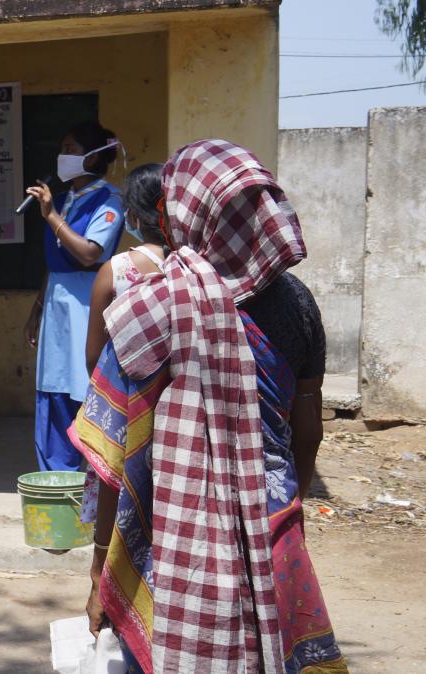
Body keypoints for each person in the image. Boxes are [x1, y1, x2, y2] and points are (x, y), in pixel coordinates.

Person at [74, 140, 347, 673]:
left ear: (179, 214)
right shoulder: (298, 303)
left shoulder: (151, 306)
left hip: (165, 539)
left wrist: (100, 569)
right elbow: (307, 433)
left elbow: (114, 450)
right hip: (274, 528)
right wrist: (283, 504)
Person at [24, 121, 125, 474]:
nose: (62, 156)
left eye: (72, 150)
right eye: (62, 148)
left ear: (95, 157)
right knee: (53, 383)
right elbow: (53, 263)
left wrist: (51, 216)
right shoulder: (65, 198)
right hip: (56, 303)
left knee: (82, 383)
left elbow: (88, 253)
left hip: (86, 302)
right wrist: (37, 308)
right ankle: (55, 471)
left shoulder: (109, 200)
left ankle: (86, 473)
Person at [76, 162, 166, 524]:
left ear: (131, 214)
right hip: (176, 408)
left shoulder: (115, 270)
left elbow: (94, 355)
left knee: (115, 490)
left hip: (124, 408)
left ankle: (103, 569)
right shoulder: (196, 269)